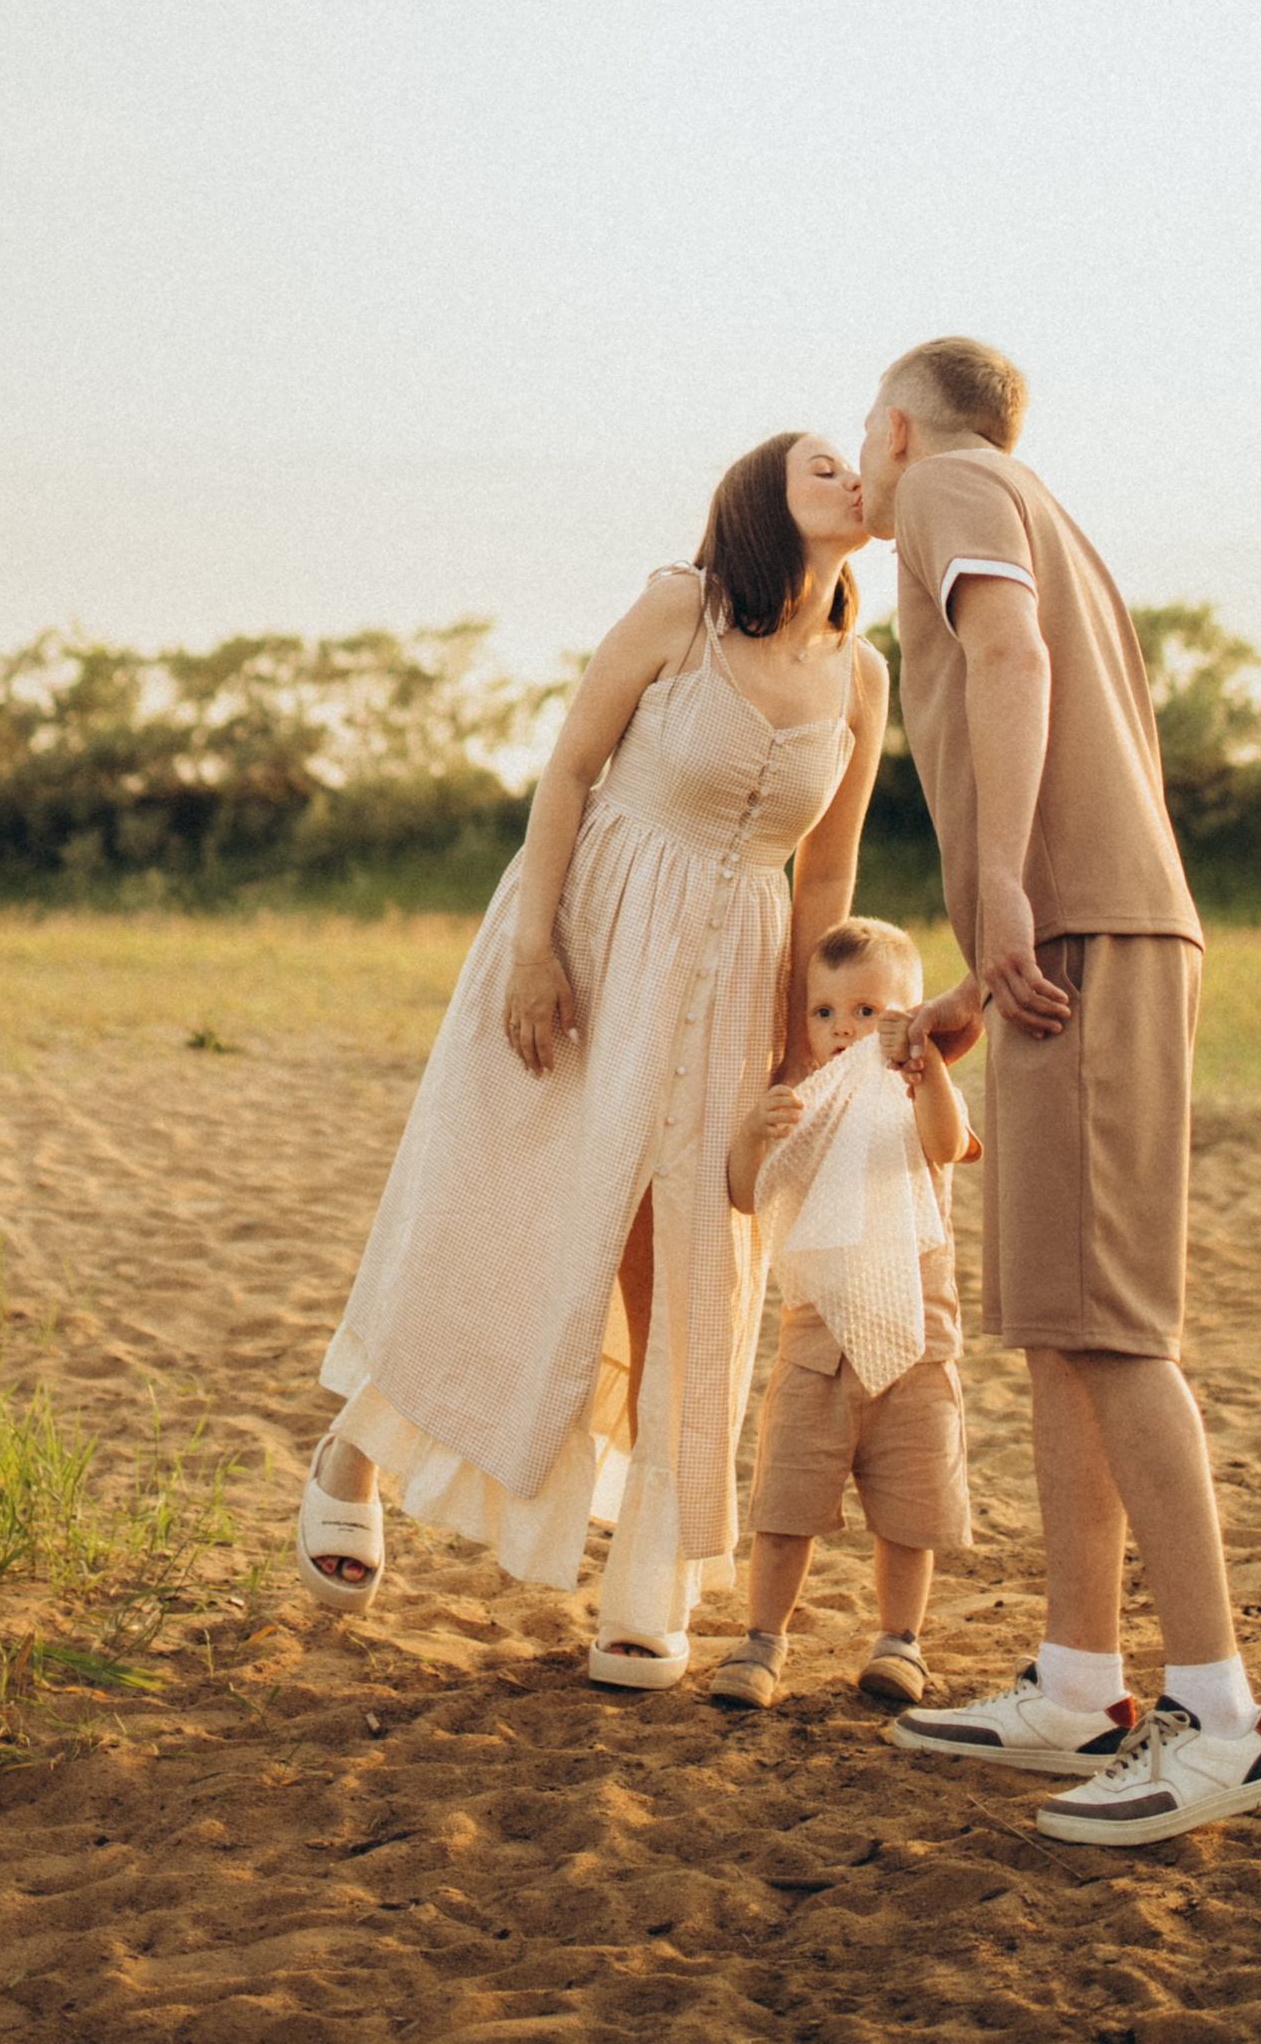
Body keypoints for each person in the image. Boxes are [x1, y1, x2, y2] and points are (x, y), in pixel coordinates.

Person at [297, 431, 887, 1689]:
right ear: (761, 506)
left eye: (855, 468)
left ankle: (654, 1572)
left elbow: (826, 870)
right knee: (516, 1213)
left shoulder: (865, 676)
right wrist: (532, 951)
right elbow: (568, 770)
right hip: (598, 933)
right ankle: (356, 1449)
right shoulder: (682, 608)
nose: (850, 479)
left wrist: (806, 1044)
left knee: (696, 1258)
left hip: (740, 962)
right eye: (820, 467)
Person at [861, 335, 1261, 1849]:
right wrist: (980, 977)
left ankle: (1220, 1721)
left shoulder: (953, 483)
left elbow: (1011, 663)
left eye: (868, 428)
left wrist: (992, 891)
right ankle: (1077, 1682)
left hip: (1087, 929)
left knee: (1112, 1330)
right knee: (1054, 1328)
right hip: (1075, 939)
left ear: (902, 427)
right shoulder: (1044, 508)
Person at [709, 914, 975, 1714]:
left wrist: (926, 1066)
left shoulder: (914, 1094)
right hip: (815, 1346)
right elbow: (745, 1195)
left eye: (868, 1012)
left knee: (911, 1510)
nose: (843, 1029)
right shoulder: (807, 1104)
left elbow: (947, 1141)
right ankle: (764, 1637)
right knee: (786, 1502)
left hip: (917, 1344)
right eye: (825, 1013)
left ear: (909, 1015)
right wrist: (754, 1135)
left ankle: (900, 1640)